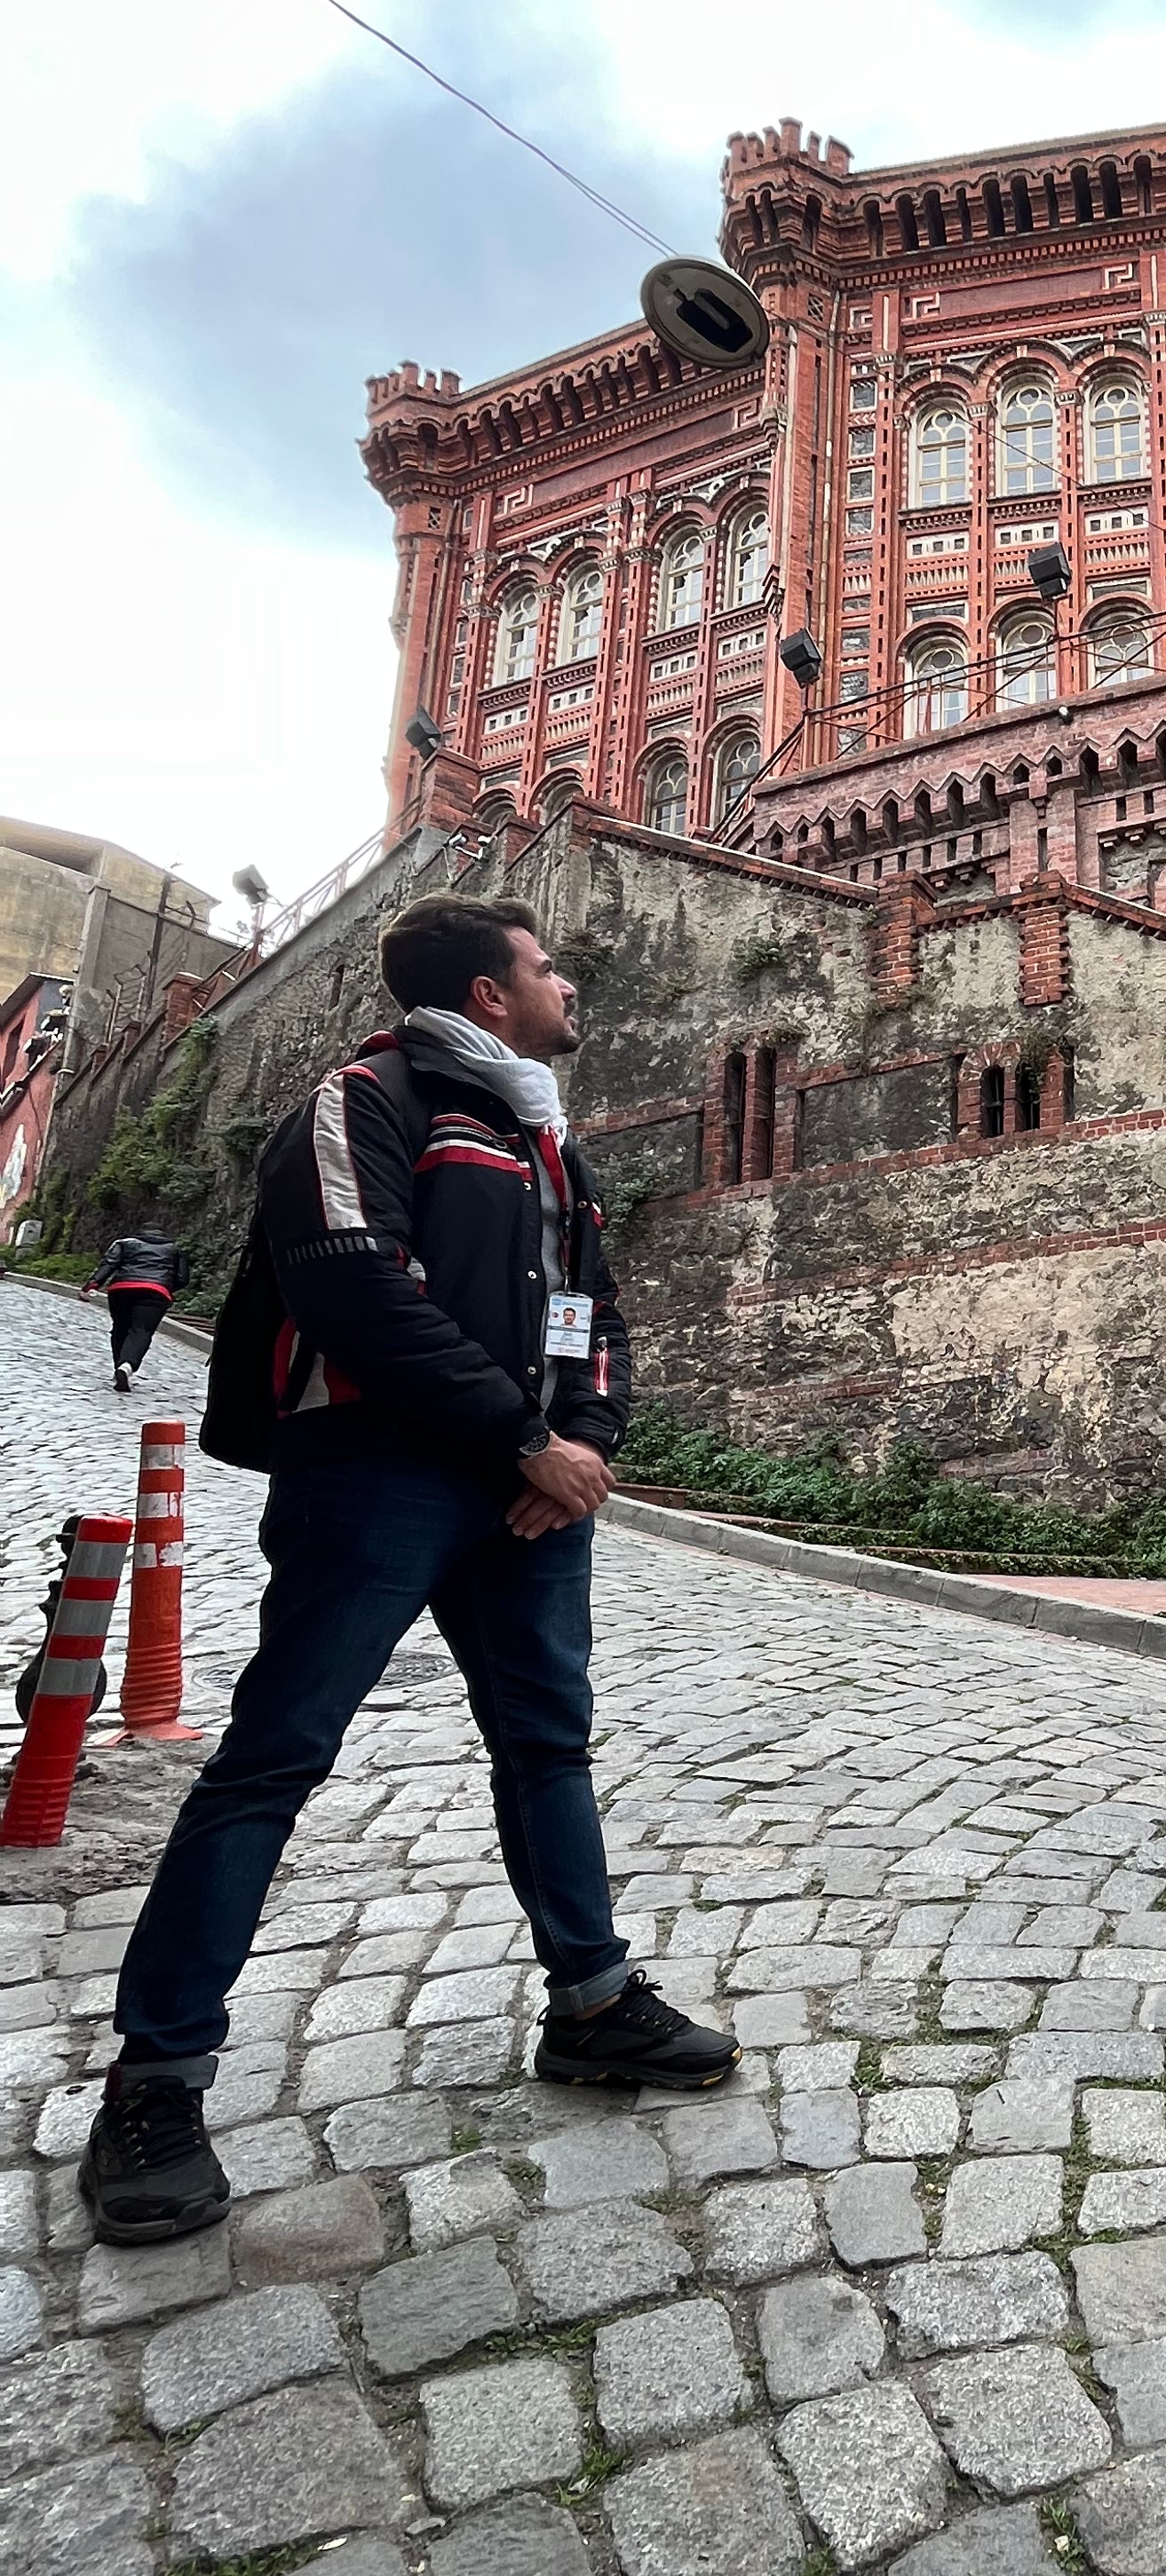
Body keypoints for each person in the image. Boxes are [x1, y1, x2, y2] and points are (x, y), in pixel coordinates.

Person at [79, 892, 734, 2248]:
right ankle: (155, 2080)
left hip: (530, 1493)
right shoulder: (366, 1098)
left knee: (548, 1746)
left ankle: (595, 2004)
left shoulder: (541, 1132)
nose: (568, 986)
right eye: (547, 965)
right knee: (273, 1759)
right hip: (376, 1475)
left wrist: (586, 1441)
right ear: (488, 993)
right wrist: (521, 1435)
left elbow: (592, 1308)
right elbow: (352, 1287)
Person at [82, 1229, 182, 1391]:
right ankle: (127, 1366)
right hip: (156, 1292)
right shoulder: (174, 1249)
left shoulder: (124, 1243)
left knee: (120, 1327)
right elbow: (182, 1278)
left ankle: (119, 1368)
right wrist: (166, 1286)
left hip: (122, 1289)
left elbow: (109, 1264)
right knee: (141, 1330)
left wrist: (91, 1286)